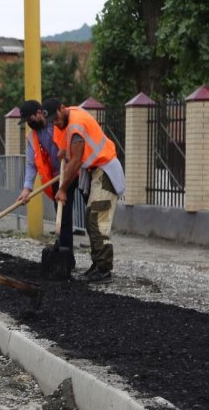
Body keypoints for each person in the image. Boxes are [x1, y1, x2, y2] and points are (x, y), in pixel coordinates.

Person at [49, 97, 126, 284]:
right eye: (52, 120)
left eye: (56, 118)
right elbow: (70, 150)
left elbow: (75, 162)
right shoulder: (71, 115)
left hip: (106, 171)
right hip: (97, 172)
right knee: (91, 216)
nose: (55, 122)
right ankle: (97, 264)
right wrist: (63, 151)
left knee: (97, 220)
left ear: (62, 107)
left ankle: (104, 270)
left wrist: (63, 189)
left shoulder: (76, 125)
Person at [15, 100, 76, 261]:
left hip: (76, 170)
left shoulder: (57, 123)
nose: (29, 123)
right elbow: (31, 164)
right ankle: (66, 259)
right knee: (63, 218)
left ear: (40, 113)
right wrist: (27, 188)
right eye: (26, 121)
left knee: (90, 215)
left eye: (30, 119)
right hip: (58, 177)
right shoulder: (32, 136)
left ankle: (98, 263)